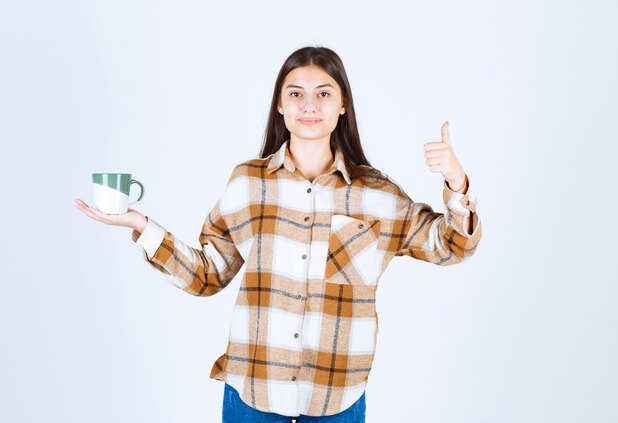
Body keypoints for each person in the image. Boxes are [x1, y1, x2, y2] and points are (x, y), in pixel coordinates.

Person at [75, 45, 482, 423]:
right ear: (280, 106)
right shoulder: (247, 184)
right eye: (296, 94)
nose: (309, 105)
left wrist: (457, 183)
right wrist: (143, 228)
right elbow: (207, 275)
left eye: (324, 94)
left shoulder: (376, 194)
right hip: (253, 393)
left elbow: (451, 246)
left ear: (343, 106)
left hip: (336, 397)